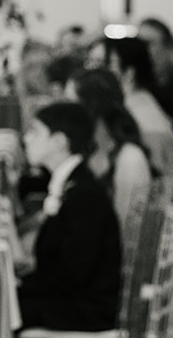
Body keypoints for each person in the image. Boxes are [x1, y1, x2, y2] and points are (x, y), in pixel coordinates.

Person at [16, 101, 121, 332]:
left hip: (87, 313)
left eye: (35, 132)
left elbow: (71, 274)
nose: (26, 139)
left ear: (59, 142)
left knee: (1, 310)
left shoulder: (84, 196)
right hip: (69, 300)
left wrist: (21, 284)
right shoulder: (72, 184)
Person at [65, 66, 153, 244]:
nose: (64, 113)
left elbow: (130, 232)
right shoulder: (86, 150)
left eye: (71, 104)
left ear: (92, 107)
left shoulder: (130, 159)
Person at [106, 34, 173, 180]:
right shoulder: (139, 102)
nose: (107, 70)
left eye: (112, 63)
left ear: (130, 72)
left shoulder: (141, 112)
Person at [137, 16, 173, 120]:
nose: (141, 49)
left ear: (168, 47)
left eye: (147, 43)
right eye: (138, 43)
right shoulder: (139, 80)